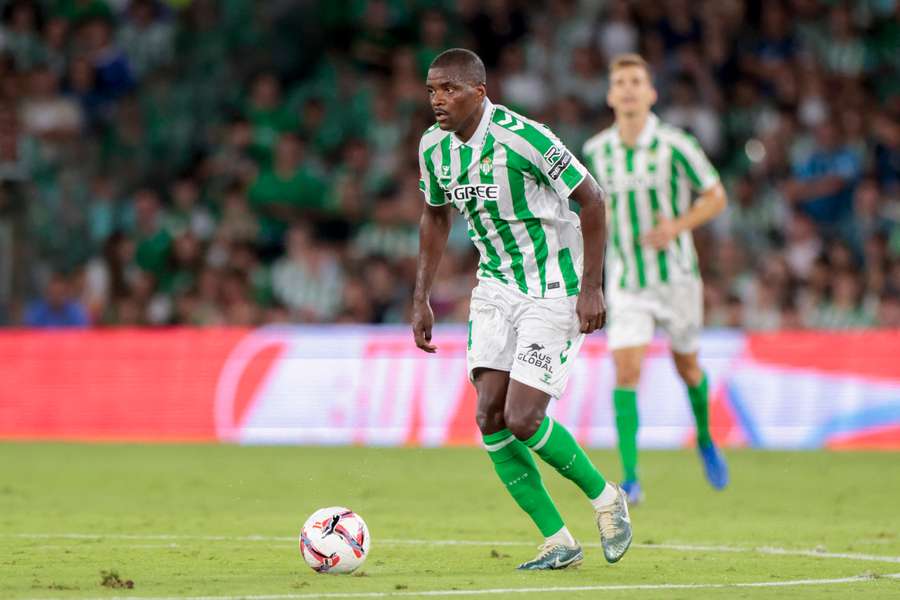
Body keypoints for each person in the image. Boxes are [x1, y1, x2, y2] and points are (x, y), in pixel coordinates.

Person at [412, 48, 631, 570]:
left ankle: (607, 499)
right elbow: (435, 216)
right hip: (494, 289)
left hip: (554, 287)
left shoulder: (525, 138)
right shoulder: (433, 148)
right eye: (431, 90)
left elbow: (593, 199)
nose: (437, 100)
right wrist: (421, 294)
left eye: (449, 89)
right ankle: (558, 540)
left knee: (523, 416)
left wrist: (592, 288)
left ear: (479, 92)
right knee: (489, 416)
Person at [582, 54, 729, 505]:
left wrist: (677, 227)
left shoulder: (675, 145)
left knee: (688, 368)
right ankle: (630, 479)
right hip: (626, 280)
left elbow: (716, 196)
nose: (628, 89)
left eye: (636, 82)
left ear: (651, 94)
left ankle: (704, 438)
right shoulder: (595, 150)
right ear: (610, 95)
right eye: (620, 81)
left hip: (677, 279)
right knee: (626, 370)